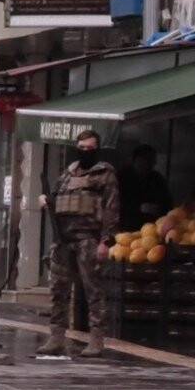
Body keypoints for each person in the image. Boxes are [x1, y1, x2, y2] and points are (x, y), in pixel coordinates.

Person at [39, 130, 120, 358]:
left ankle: (96, 339)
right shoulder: (67, 173)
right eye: (81, 148)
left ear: (97, 149)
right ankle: (56, 337)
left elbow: (111, 210)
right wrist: (45, 201)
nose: (85, 152)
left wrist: (106, 241)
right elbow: (53, 197)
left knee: (93, 291)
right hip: (63, 240)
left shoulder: (104, 173)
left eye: (89, 148)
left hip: (88, 239)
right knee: (58, 290)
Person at [117, 144, 172, 231]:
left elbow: (168, 203)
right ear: (135, 160)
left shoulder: (157, 179)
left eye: (152, 161)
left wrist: (159, 208)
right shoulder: (122, 178)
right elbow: (115, 204)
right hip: (126, 227)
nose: (150, 164)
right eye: (147, 160)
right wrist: (138, 207)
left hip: (152, 228)